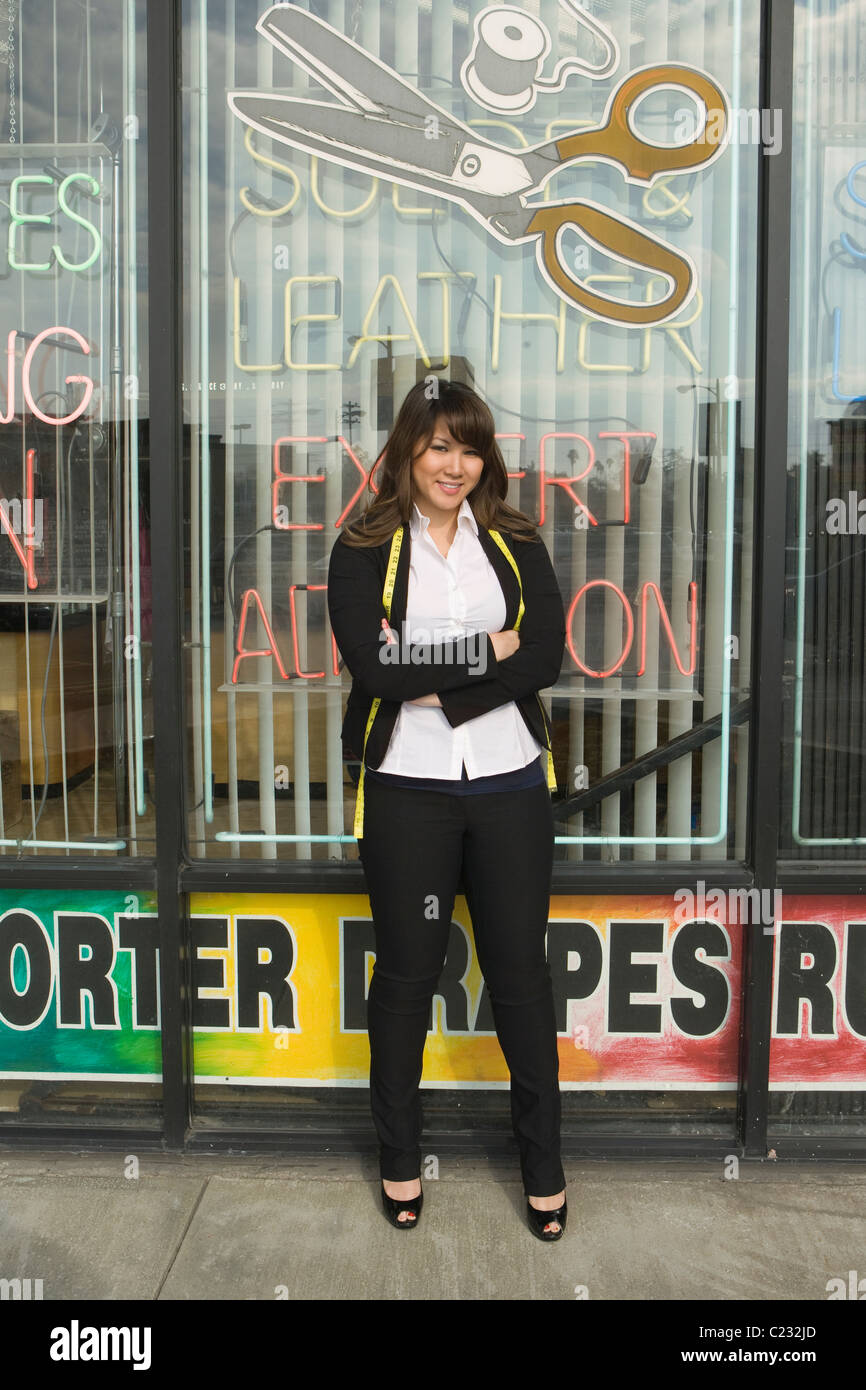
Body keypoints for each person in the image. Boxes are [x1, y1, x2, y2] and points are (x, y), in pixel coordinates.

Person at [327, 378, 567, 1240]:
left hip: (508, 784)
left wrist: (447, 682)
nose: (454, 464)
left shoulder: (513, 538)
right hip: (407, 789)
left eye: (469, 447)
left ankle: (543, 1166)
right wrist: (485, 652)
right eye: (437, 447)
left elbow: (545, 654)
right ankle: (400, 1160)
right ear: (404, 453)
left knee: (521, 981)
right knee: (404, 981)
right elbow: (376, 673)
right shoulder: (361, 549)